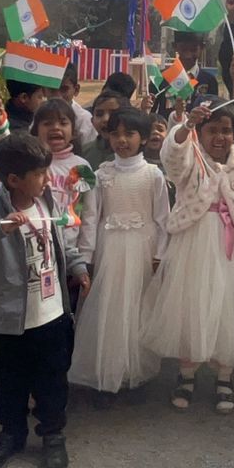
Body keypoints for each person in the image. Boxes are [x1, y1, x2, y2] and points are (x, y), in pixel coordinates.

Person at [0, 132, 92, 468]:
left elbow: (60, 239)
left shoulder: (47, 200)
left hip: (53, 314)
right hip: (12, 321)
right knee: (11, 381)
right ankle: (11, 433)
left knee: (53, 379)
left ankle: (52, 435)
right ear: (14, 179)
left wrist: (76, 266)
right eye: (40, 174)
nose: (47, 179)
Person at [141, 100, 234, 414]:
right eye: (212, 130)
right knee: (191, 307)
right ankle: (186, 375)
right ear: (201, 132)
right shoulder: (191, 161)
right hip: (192, 248)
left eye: (226, 130)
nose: (220, 137)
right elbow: (171, 159)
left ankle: (224, 377)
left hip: (229, 252)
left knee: (225, 310)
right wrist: (185, 127)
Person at [68, 108, 169, 404]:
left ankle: (132, 372)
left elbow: (163, 219)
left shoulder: (153, 175)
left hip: (143, 250)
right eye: (116, 134)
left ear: (144, 138)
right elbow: (91, 217)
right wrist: (86, 258)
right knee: (108, 311)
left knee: (137, 310)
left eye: (130, 134)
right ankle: (106, 374)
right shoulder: (101, 174)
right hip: (109, 249)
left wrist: (160, 254)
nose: (122, 140)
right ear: (107, 136)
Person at [33, 98, 99, 271]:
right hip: (34, 248)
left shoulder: (82, 167)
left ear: (74, 131)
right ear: (35, 130)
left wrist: (85, 257)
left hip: (71, 253)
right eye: (47, 123)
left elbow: (89, 214)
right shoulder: (29, 165)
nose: (55, 128)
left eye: (63, 123)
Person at [78, 92, 125, 169]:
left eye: (113, 114)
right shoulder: (83, 152)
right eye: (99, 114)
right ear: (92, 121)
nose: (105, 119)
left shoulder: (133, 153)